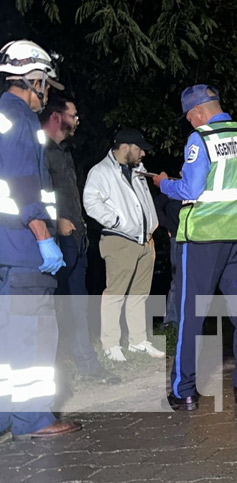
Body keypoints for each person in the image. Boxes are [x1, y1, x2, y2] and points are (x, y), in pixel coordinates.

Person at [153, 85, 237, 410]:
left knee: (191, 315)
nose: (190, 123)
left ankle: (184, 391)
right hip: (235, 238)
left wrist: (164, 184)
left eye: (190, 118)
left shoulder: (201, 140)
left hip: (201, 238)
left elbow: (190, 187)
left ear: (199, 112)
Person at [0, 39, 81, 439]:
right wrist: (43, 235)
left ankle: (5, 418)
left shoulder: (2, 115)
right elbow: (22, 184)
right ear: (33, 80)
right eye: (45, 85)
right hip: (23, 247)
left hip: (5, 248)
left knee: (9, 339)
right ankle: (32, 421)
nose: (46, 93)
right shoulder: (20, 119)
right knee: (32, 337)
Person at [40, 95, 120, 385]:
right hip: (52, 241)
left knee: (76, 305)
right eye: (74, 114)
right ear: (58, 117)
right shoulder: (39, 150)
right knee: (51, 309)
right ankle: (52, 370)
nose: (78, 120)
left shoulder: (63, 151)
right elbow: (36, 194)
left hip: (76, 239)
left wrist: (78, 227)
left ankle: (87, 365)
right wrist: (55, 222)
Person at [83, 127, 164, 362]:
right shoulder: (101, 171)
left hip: (144, 240)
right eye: (140, 149)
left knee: (139, 294)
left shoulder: (138, 170)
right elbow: (91, 202)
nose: (143, 154)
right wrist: (117, 222)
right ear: (126, 147)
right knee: (115, 294)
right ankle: (110, 344)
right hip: (120, 240)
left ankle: (138, 341)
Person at [153, 191, 181, 328]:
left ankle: (191, 319)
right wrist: (167, 225)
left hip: (197, 238)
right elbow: (156, 206)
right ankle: (171, 321)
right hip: (177, 238)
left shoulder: (198, 184)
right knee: (177, 280)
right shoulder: (173, 188)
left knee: (196, 281)